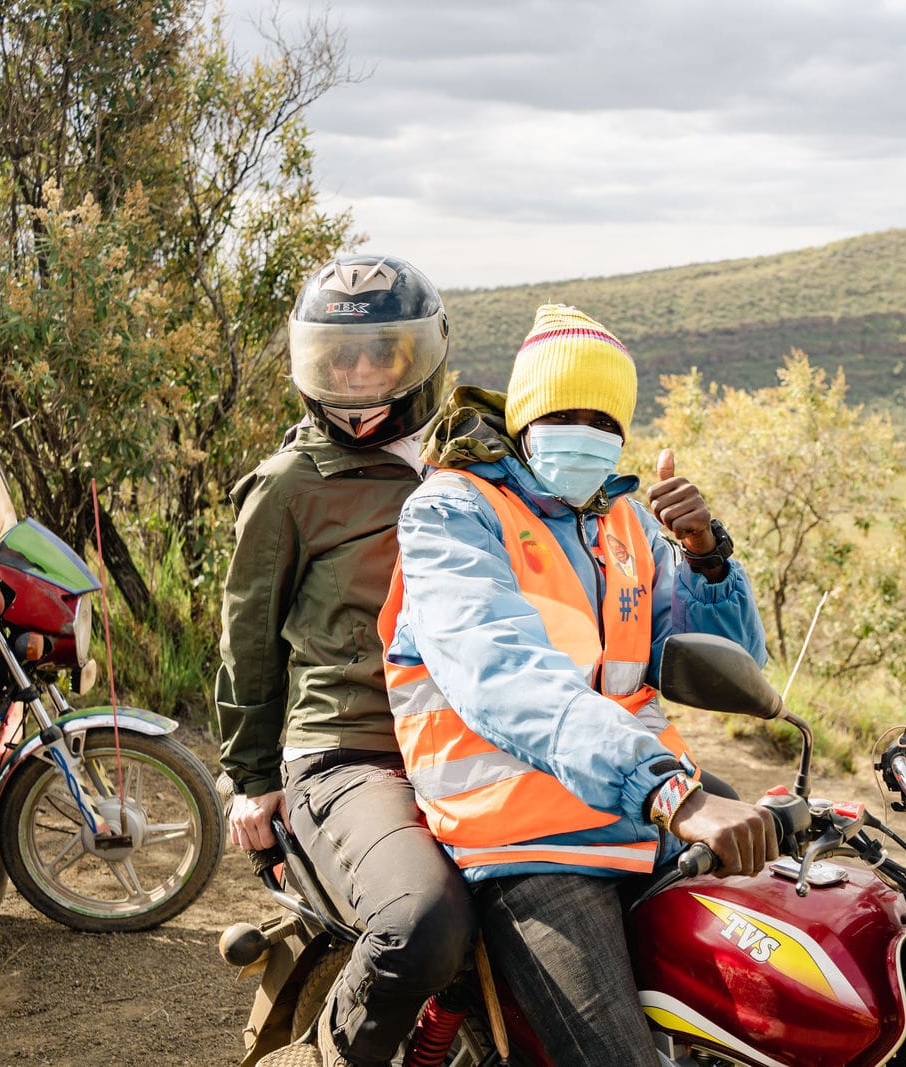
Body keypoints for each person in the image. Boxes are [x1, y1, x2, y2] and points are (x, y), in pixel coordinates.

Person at [379, 304, 778, 1065]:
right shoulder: (453, 511)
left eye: (604, 417)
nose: (586, 430)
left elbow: (721, 664)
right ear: (525, 415)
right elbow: (501, 673)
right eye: (566, 412)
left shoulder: (623, 523)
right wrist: (671, 793)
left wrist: (707, 556)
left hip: (634, 815)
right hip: (526, 833)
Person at [216, 253, 474, 1067]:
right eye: (341, 356)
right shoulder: (292, 483)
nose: (360, 374)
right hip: (349, 748)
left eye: (381, 355)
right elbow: (247, 636)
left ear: (420, 359)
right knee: (425, 919)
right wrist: (250, 777)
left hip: (466, 746)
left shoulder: (462, 464)